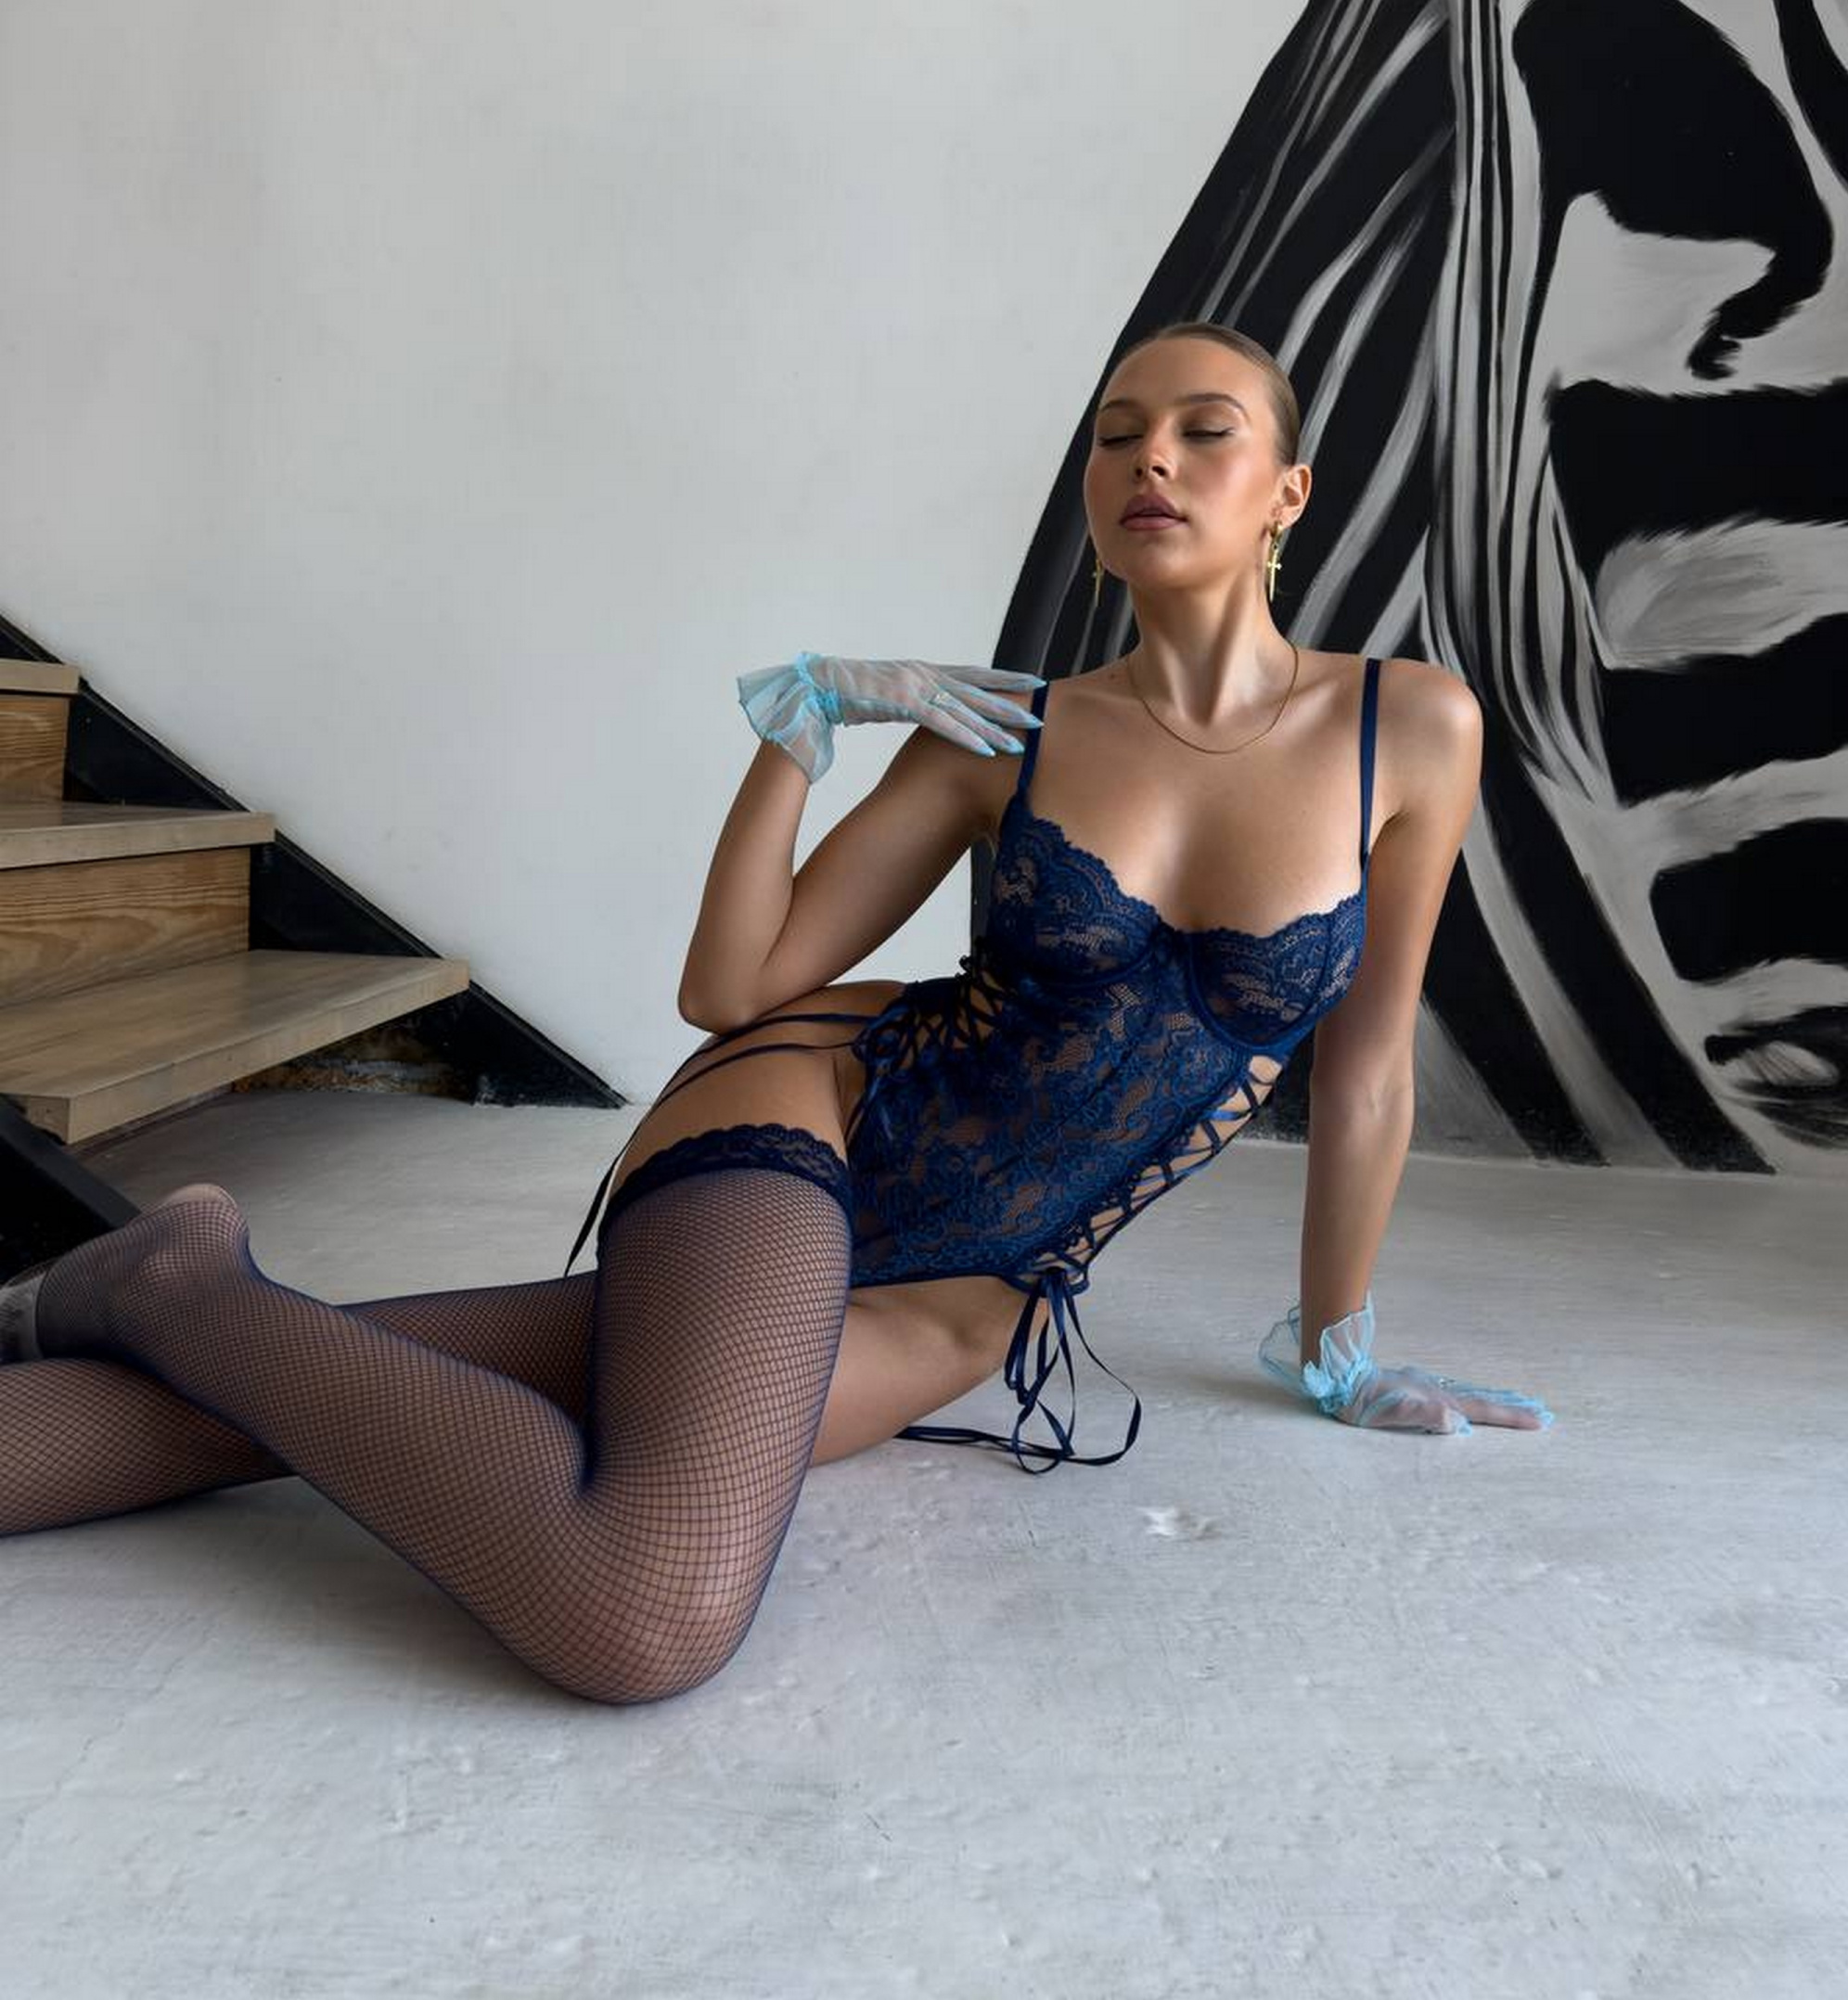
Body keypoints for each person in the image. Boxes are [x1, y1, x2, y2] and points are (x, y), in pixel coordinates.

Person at [0, 321, 1548, 1706]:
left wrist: (1336, 1351)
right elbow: (731, 988)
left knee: (269, 1416)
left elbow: (1362, 1072)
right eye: (1114, 433)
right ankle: (180, 1279)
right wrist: (801, 724)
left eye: (1205, 429)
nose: (1150, 457)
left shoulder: (1407, 726)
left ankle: (154, 1286)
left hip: (969, 1296)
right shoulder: (1001, 734)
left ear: (1286, 492)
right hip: (815, 1126)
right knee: (643, 1606)